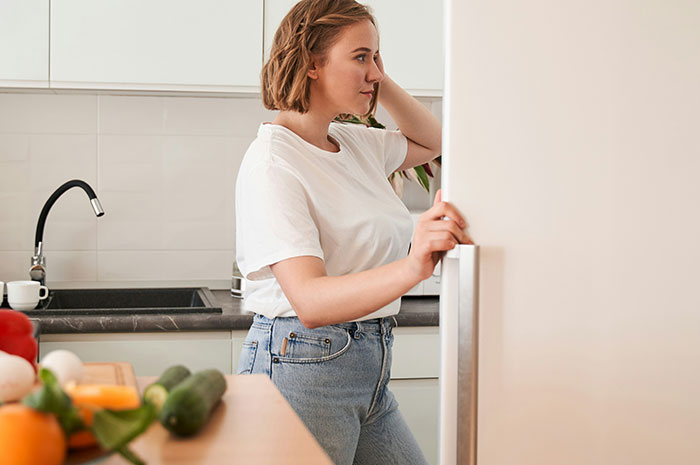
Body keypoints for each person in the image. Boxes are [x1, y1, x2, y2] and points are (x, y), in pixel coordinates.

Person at [234, 1, 473, 463]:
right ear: (311, 64)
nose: (376, 72)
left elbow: (435, 143)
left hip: (369, 369)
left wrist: (375, 79)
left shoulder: (356, 143)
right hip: (300, 368)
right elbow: (310, 301)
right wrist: (412, 265)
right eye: (361, 57)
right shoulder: (273, 163)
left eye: (377, 57)